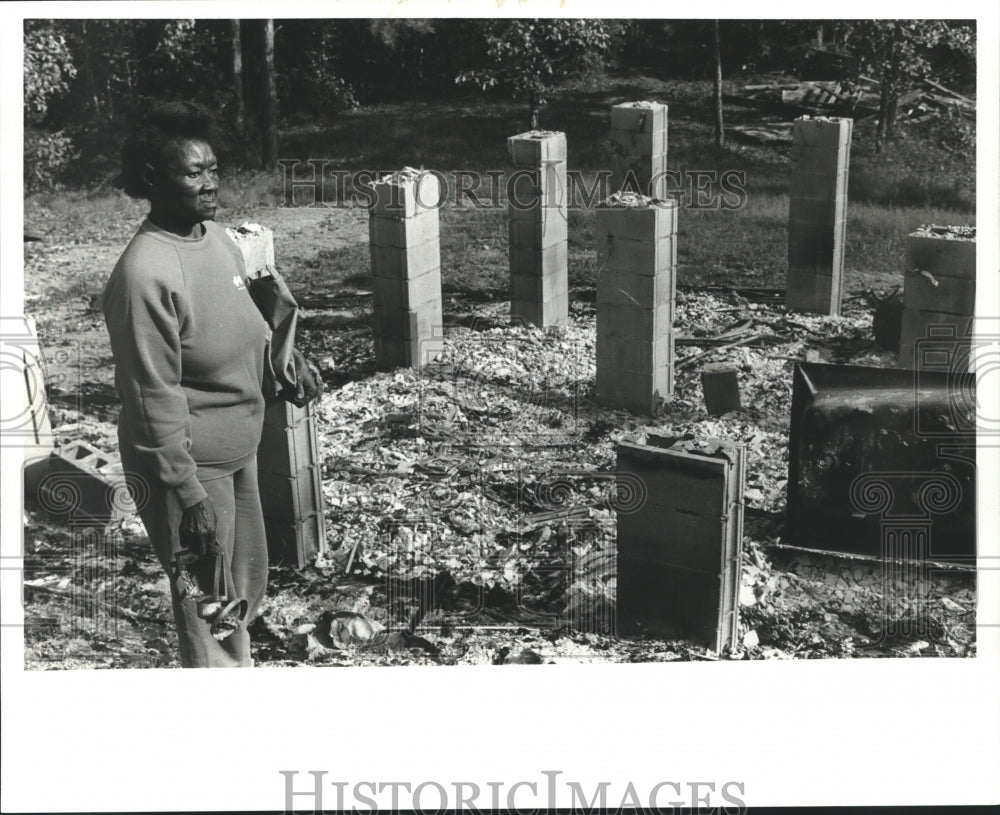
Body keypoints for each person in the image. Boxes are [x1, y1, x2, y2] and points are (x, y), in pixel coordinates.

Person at [103, 101, 320, 667]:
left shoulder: (222, 239)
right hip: (187, 468)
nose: (208, 184)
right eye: (191, 173)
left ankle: (238, 672)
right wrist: (185, 492)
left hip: (238, 449)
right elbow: (151, 395)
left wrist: (288, 362)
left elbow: (253, 317)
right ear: (152, 180)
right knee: (206, 609)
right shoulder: (144, 274)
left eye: (213, 170)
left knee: (240, 589)